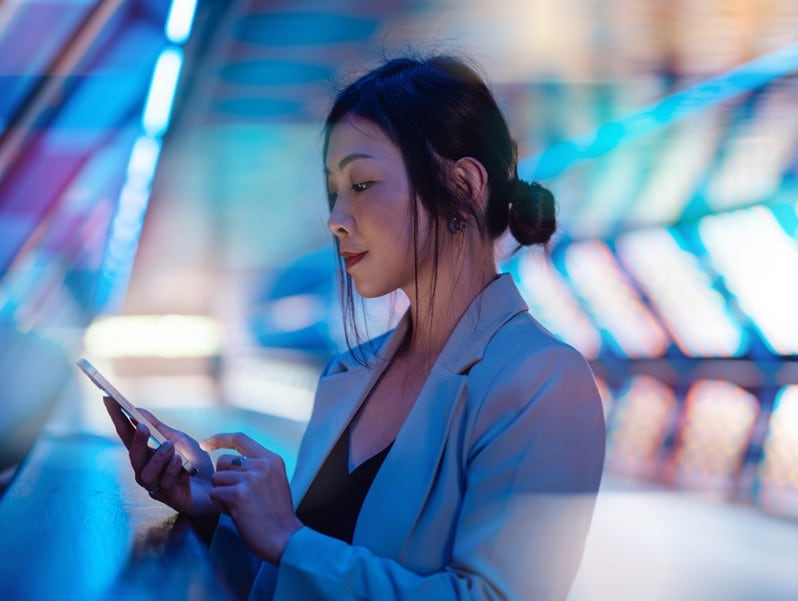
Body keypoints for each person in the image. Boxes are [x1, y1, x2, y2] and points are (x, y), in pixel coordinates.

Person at [104, 55, 606, 601]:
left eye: (362, 183)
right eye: (334, 191)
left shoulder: (543, 383)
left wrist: (287, 538)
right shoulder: (349, 374)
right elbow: (298, 571)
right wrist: (217, 510)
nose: (335, 218)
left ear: (463, 185)